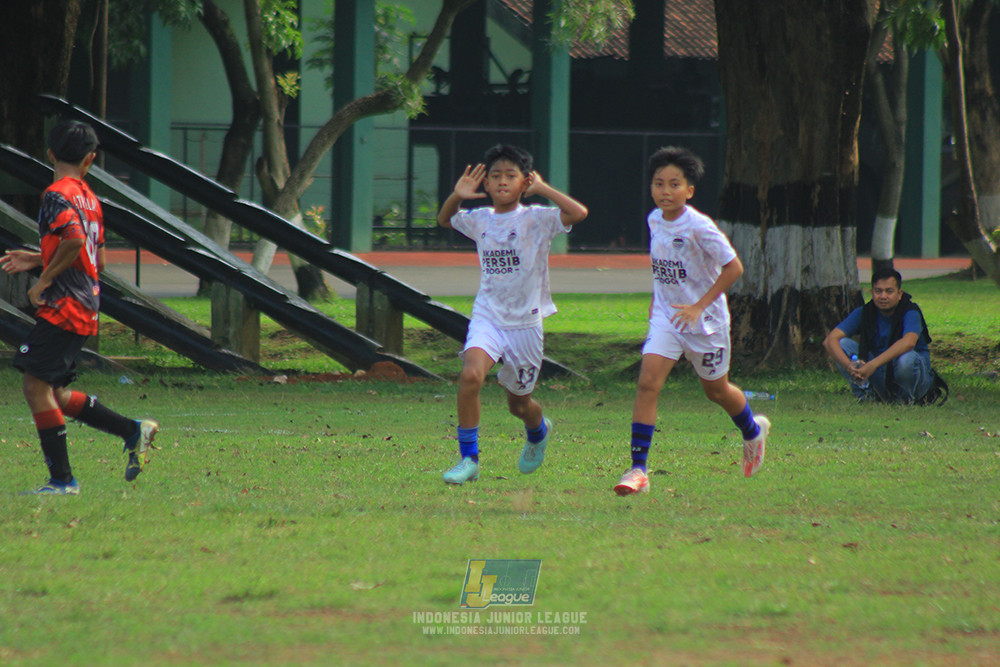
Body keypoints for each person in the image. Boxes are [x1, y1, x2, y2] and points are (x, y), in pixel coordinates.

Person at [1, 120, 158, 495]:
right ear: (91, 159)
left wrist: (43, 279)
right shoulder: (90, 198)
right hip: (86, 303)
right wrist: (37, 257)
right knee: (52, 391)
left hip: (65, 305)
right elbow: (95, 259)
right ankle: (132, 430)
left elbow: (72, 241)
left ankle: (62, 481)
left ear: (50, 154)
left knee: (34, 385)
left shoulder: (57, 194)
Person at [614, 146, 770, 496]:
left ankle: (752, 431)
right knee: (647, 384)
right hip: (668, 319)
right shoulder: (654, 220)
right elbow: (664, 269)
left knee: (716, 391)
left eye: (674, 184)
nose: (665, 191)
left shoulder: (700, 226)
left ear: (690, 190)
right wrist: (660, 306)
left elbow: (734, 268)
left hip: (706, 323)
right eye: (658, 183)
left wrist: (699, 307)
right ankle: (638, 469)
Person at [436, 144, 588, 485]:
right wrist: (457, 195)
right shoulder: (480, 219)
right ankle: (469, 459)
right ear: (486, 184)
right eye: (495, 176)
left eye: (510, 175)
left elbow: (578, 213)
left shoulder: (537, 218)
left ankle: (538, 431)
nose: (502, 181)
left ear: (524, 182)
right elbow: (445, 219)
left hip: (526, 325)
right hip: (488, 317)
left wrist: (544, 188)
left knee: (518, 405)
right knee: (470, 376)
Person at [822, 267, 934, 403]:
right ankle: (866, 395)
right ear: (872, 293)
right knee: (842, 344)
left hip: (914, 380)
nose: (883, 296)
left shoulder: (910, 312)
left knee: (906, 359)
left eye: (889, 291)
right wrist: (849, 366)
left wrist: (872, 365)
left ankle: (906, 400)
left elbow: (908, 343)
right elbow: (830, 340)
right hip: (881, 374)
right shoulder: (865, 312)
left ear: (899, 294)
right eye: (878, 291)